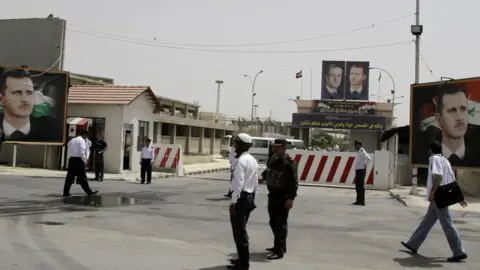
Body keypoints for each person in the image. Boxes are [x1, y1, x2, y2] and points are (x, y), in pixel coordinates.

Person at [401, 141, 468, 262]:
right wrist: (459, 197)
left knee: (447, 223)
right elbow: (452, 179)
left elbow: (438, 176)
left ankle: (459, 251)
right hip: (442, 195)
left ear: (430, 150)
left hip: (439, 196)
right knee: (427, 221)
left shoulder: (434, 159)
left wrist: (433, 192)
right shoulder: (445, 160)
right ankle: (413, 244)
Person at [227, 133, 258, 270]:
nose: (234, 146)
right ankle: (241, 258)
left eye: (236, 143)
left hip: (241, 198)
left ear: (242, 145)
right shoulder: (252, 160)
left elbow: (238, 182)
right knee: (241, 230)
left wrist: (234, 201)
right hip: (249, 196)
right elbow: (255, 181)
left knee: (239, 232)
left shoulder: (241, 161)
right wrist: (252, 197)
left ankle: (244, 263)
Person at [263, 138, 298, 260]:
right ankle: (279, 245)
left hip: (283, 197)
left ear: (283, 148)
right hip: (272, 195)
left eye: (277, 147)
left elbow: (293, 183)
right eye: (274, 147)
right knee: (273, 222)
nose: (274, 149)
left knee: (280, 224)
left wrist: (290, 198)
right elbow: (267, 171)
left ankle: (279, 251)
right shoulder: (273, 159)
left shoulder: (289, 163)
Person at [0, 69, 58, 142]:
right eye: (17, 93)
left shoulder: (52, 130)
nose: (25, 99)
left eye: (29, 92)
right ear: (1, 99)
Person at [63, 130, 98, 197]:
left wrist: (69, 159)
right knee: (82, 177)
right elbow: (82, 151)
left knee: (69, 178)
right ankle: (89, 192)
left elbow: (69, 148)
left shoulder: (72, 140)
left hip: (71, 160)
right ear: (84, 134)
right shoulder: (81, 140)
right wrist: (85, 161)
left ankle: (65, 192)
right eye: (86, 135)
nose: (86, 137)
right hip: (78, 160)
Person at [352, 140, 371, 206]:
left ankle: (362, 201)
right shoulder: (358, 152)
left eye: (356, 145)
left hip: (361, 170)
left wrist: (365, 164)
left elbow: (369, 158)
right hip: (358, 170)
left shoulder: (361, 151)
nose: (355, 146)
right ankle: (358, 201)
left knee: (361, 186)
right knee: (358, 186)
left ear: (359, 145)